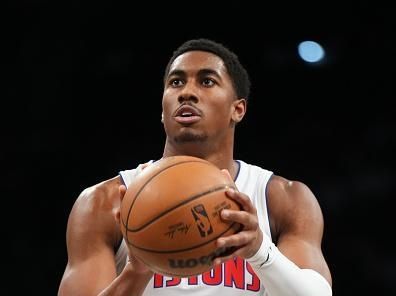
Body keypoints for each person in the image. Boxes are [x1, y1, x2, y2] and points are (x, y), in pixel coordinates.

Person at [58, 38, 332, 296]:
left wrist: (260, 250)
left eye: (207, 81)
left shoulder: (282, 199)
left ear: (238, 109)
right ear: (163, 110)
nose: (186, 92)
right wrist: (136, 271)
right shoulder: (104, 202)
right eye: (176, 82)